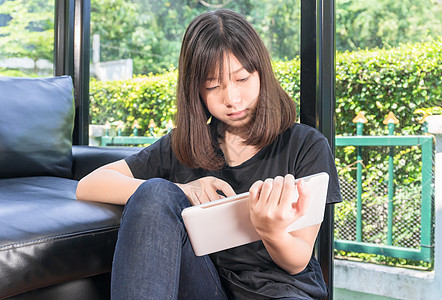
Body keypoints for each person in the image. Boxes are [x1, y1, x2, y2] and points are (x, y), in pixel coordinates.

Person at [76, 9, 341, 300]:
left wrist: (271, 231)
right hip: (205, 287)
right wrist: (183, 191)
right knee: (154, 193)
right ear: (196, 92)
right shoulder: (183, 145)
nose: (232, 99)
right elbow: (89, 185)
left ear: (261, 73)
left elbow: (298, 260)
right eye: (213, 86)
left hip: (281, 291)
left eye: (242, 79)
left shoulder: (306, 145)